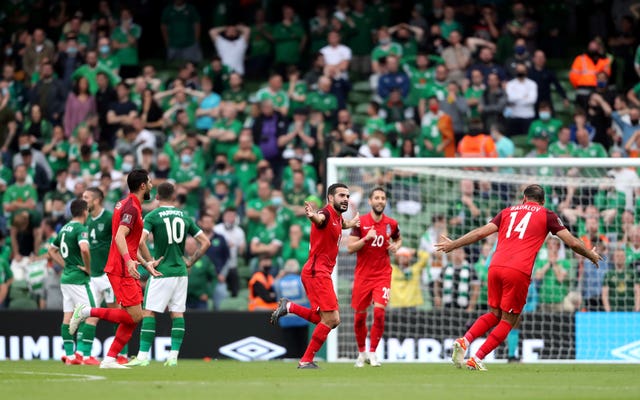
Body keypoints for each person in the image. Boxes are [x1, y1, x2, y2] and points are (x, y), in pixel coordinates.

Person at [435, 184, 602, 371]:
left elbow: (481, 232)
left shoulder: (507, 211)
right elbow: (572, 242)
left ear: (524, 198)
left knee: (493, 313)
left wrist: (454, 244)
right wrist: (590, 254)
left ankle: (464, 340)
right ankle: (477, 357)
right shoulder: (547, 214)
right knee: (510, 319)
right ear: (543, 201)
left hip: (495, 266)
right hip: (517, 270)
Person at [68, 169, 162, 369]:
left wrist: (148, 262)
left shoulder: (127, 204)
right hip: (120, 268)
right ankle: (86, 311)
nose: (152, 186)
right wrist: (129, 261)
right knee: (135, 316)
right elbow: (119, 237)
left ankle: (110, 359)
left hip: (125, 266)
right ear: (143, 185)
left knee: (133, 318)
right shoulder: (131, 208)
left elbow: (132, 241)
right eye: (150, 182)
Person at [270, 183, 360, 369]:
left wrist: (349, 224)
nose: (345, 199)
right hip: (316, 272)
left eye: (347, 196)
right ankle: (306, 360)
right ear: (330, 198)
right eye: (341, 195)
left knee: (324, 319)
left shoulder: (337, 216)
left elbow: (338, 223)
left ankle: (290, 306)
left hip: (319, 272)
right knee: (332, 319)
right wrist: (313, 217)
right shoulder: (325, 213)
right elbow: (320, 220)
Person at [126, 182, 210, 367]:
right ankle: (173, 357)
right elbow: (205, 242)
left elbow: (140, 242)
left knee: (148, 312)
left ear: (157, 197)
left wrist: (148, 263)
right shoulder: (185, 216)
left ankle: (142, 356)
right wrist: (190, 261)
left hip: (161, 271)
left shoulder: (153, 215)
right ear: (174, 197)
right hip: (180, 271)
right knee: (177, 313)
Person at [347, 187, 401, 367]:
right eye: (376, 198)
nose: (380, 201)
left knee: (379, 313)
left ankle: (373, 353)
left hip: (382, 274)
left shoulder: (391, 223)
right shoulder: (360, 223)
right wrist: (366, 239)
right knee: (359, 317)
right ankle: (361, 353)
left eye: (383, 198)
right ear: (369, 201)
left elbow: (398, 238)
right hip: (363, 275)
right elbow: (350, 247)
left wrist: (396, 246)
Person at [47, 199, 98, 365]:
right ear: (85, 212)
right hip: (78, 279)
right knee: (91, 315)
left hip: (66, 279)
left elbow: (51, 250)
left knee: (68, 318)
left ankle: (69, 356)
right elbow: (84, 248)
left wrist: (65, 264)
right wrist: (88, 268)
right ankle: (83, 355)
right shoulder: (80, 229)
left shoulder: (64, 229)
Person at [82, 187, 117, 364]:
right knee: (91, 314)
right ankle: (86, 356)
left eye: (86, 197)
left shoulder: (110, 217)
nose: (83, 200)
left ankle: (120, 355)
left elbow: (120, 239)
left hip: (108, 275)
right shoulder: (85, 219)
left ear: (96, 200)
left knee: (116, 313)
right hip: (92, 276)